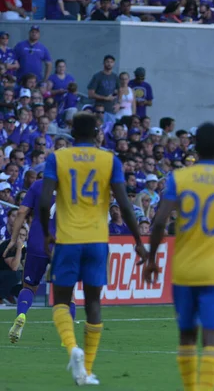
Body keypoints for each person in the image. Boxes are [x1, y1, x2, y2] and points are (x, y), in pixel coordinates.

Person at [142, 122, 214, 391]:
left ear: (195, 146)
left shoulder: (179, 178)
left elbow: (159, 222)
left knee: (186, 337)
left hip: (184, 270)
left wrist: (151, 259)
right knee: (211, 338)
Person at [39, 112, 146, 386]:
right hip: (97, 241)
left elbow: (43, 202)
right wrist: (137, 240)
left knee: (61, 300)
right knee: (94, 303)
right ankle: (86, 370)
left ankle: (71, 346)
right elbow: (124, 204)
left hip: (67, 239)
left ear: (72, 133)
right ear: (97, 133)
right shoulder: (109, 160)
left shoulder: (58, 157)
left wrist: (47, 233)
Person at [7, 178, 73, 344]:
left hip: (38, 241)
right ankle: (67, 336)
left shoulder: (38, 185)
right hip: (62, 244)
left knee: (29, 286)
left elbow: (22, 212)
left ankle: (21, 314)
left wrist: (14, 239)